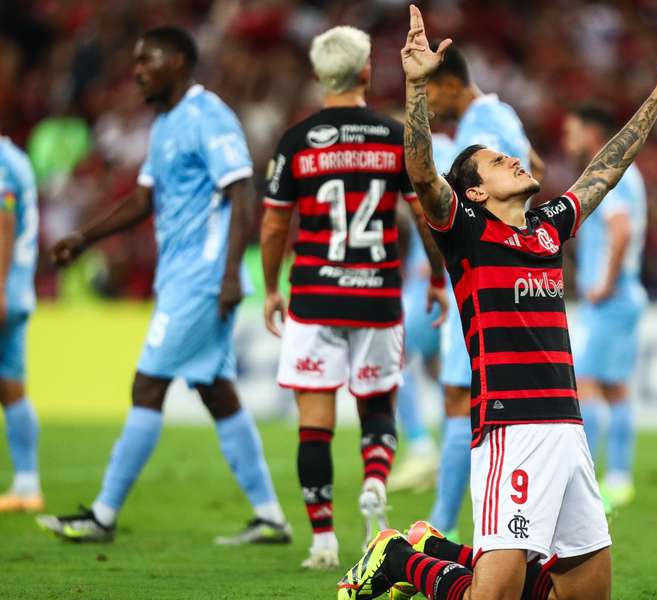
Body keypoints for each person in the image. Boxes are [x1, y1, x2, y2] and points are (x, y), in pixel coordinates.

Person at [338, 6, 657, 600]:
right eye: (495, 162)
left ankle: (427, 549)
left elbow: (603, 171)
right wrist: (416, 85)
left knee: (583, 595)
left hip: (568, 428)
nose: (512, 158)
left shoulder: (548, 229)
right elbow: (422, 172)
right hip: (513, 427)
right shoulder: (465, 231)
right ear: (475, 190)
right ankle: (400, 558)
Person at [37, 26, 289, 544]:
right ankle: (271, 518)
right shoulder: (166, 123)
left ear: (178, 60)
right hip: (183, 277)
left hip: (202, 277)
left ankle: (102, 516)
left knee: (147, 384)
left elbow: (244, 192)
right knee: (215, 392)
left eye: (146, 59)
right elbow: (143, 199)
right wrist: (83, 238)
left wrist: (228, 275)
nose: (136, 71)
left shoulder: (208, 115)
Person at [259, 25, 447, 570]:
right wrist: (437, 277)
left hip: (315, 296)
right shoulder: (393, 136)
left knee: (314, 421)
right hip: (378, 294)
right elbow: (425, 212)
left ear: (320, 77)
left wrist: (272, 287)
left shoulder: (296, 141)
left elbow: (274, 228)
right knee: (376, 406)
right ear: (366, 72)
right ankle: (373, 481)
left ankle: (322, 540)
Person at [421, 42, 542, 537]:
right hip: (507, 268)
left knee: (457, 395)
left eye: (428, 89)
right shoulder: (502, 113)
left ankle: (442, 529)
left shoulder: (481, 128)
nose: (426, 101)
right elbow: (536, 166)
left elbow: (492, 195)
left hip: (482, 271)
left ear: (450, 83)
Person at [562, 105, 647, 510]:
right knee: (615, 389)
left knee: (587, 384)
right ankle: (619, 478)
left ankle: (589, 481)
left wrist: (605, 283)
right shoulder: (625, 173)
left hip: (613, 297)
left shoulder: (613, 174)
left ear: (592, 133)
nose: (568, 140)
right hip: (623, 297)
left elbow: (622, 228)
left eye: (572, 131)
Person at [389, 132, 457, 494]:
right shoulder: (457, 149)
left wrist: (436, 262)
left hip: (429, 281)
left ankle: (420, 446)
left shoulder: (431, 155)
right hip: (438, 276)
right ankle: (454, 449)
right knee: (438, 368)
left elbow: (434, 209)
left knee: (394, 354)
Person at [0, 134, 42, 513]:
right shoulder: (16, 157)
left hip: (3, 287)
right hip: (18, 289)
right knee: (10, 385)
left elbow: (3, 222)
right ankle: (28, 484)